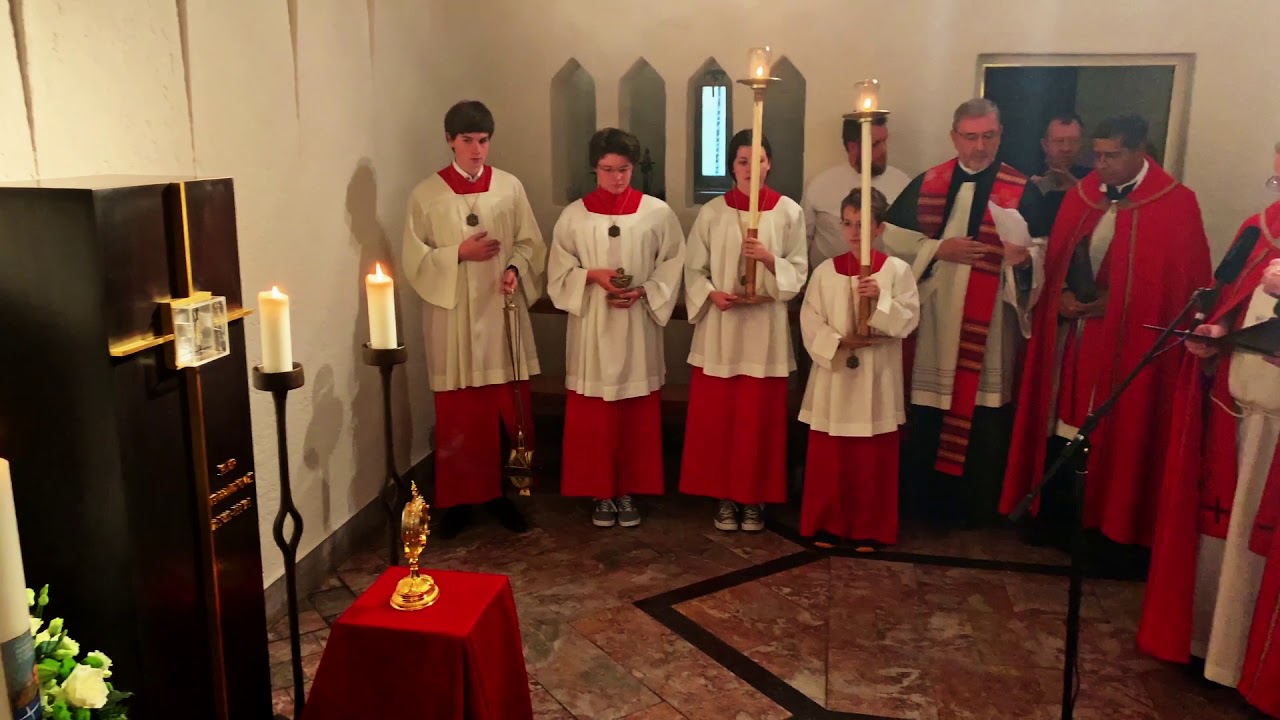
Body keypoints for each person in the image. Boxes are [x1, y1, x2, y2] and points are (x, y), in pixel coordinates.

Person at [1001, 114, 1211, 554]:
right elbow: (1056, 262)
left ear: (1140, 153)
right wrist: (1059, 295)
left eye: (1111, 156)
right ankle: (1059, 518)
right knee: (1065, 421)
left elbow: (1179, 292)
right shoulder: (1081, 198)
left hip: (1128, 348)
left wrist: (1115, 304)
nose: (1099, 165)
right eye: (1096, 154)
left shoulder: (1176, 204)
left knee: (1120, 430)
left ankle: (1110, 532)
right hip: (1074, 343)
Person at [1138, 169, 1280, 697]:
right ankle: (1217, 653)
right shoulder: (1257, 229)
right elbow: (1230, 302)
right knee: (1228, 532)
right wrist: (1214, 333)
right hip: (1238, 409)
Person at [880, 97, 1047, 529]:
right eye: (970, 137)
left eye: (988, 136)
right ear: (954, 137)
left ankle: (975, 510)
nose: (979, 147)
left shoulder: (1022, 189)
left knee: (985, 414)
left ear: (1000, 135)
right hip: (935, 318)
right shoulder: (928, 182)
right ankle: (924, 506)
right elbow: (891, 244)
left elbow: (1046, 253)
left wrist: (1025, 261)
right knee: (930, 411)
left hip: (989, 323)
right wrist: (939, 248)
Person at [402, 100, 545, 538]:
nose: (477, 150)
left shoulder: (509, 187)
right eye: (467, 140)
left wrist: (515, 269)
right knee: (461, 412)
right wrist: (458, 254)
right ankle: (460, 501)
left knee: (506, 408)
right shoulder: (426, 195)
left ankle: (505, 494)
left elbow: (529, 242)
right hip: (455, 318)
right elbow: (414, 259)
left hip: (500, 311)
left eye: (483, 141)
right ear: (449, 140)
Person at [547, 128, 685, 528]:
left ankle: (629, 489)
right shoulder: (574, 215)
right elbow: (557, 272)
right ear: (594, 168)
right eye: (607, 170)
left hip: (637, 324)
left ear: (634, 168)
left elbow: (673, 262)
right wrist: (591, 275)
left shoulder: (657, 212)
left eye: (624, 170)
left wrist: (645, 290)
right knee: (596, 414)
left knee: (634, 411)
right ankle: (600, 492)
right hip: (593, 325)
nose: (617, 178)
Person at [679, 129, 807, 532]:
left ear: (771, 163)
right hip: (722, 328)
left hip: (764, 331)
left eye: (759, 160)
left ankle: (754, 499)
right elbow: (693, 270)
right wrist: (711, 294)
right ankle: (723, 496)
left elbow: (799, 272)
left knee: (759, 420)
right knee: (721, 419)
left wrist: (769, 260)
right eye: (742, 161)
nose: (751, 169)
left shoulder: (788, 212)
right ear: (731, 166)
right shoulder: (713, 212)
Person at [799, 188, 918, 548]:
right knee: (832, 456)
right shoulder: (825, 272)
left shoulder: (897, 271)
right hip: (836, 374)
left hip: (876, 376)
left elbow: (908, 321)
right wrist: (837, 341)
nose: (853, 232)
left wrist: (879, 299)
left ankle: (871, 527)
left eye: (862, 225)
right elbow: (810, 320)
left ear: (879, 228)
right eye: (848, 223)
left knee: (871, 458)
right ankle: (829, 523)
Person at [802, 117, 912, 271]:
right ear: (853, 147)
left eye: (884, 141)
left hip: (883, 281)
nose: (883, 150)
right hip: (830, 281)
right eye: (875, 144)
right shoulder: (820, 184)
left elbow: (911, 242)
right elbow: (802, 240)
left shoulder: (902, 183)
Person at [1029, 112, 1093, 227]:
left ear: (1081, 144)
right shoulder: (1026, 177)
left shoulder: (1095, 180)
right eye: (1059, 141)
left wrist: (1076, 189)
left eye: (1073, 141)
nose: (1066, 148)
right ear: (1045, 145)